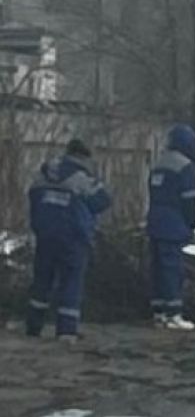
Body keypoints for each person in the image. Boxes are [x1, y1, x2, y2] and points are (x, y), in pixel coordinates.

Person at [27, 139, 111, 342]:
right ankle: (66, 330)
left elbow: (33, 198)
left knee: (42, 280)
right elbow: (103, 200)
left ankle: (33, 327)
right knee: (71, 281)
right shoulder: (81, 177)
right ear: (84, 156)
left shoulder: (42, 174)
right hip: (73, 237)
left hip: (45, 234)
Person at [146, 124, 195, 330]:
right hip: (173, 223)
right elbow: (189, 200)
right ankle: (174, 313)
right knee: (172, 269)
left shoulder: (158, 165)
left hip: (155, 222)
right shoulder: (185, 167)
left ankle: (159, 312)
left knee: (157, 269)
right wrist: (192, 221)